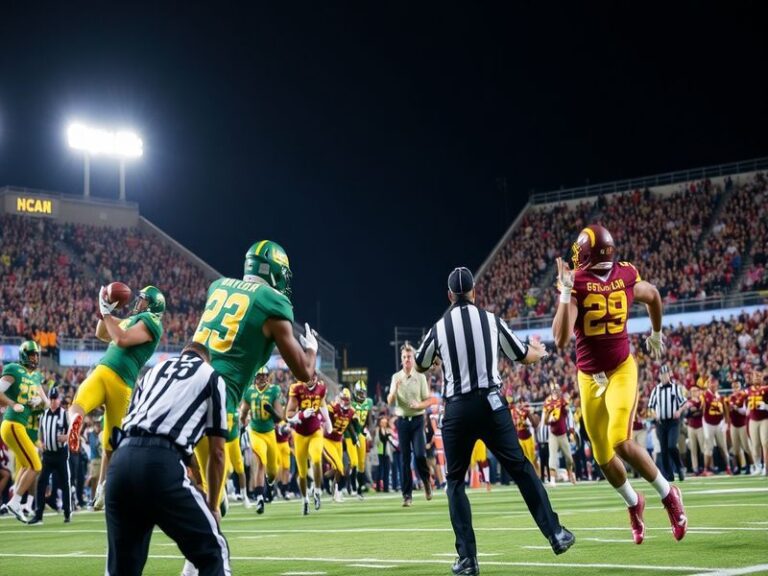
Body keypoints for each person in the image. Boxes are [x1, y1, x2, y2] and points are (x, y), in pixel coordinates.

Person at [417, 267, 574, 576]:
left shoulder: (439, 327)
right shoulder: (490, 320)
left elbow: (421, 364)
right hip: (491, 404)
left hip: (458, 410)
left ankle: (468, 559)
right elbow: (520, 355)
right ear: (474, 292)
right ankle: (554, 533)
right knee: (520, 468)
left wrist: (440, 360)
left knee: (455, 483)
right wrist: (539, 353)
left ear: (450, 296)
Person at [552, 224, 687, 544]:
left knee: (620, 441)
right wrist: (566, 292)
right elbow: (561, 340)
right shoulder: (619, 274)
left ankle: (669, 494)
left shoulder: (599, 280)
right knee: (601, 457)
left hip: (620, 370)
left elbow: (559, 341)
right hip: (589, 378)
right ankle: (633, 502)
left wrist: (567, 290)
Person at [189, 241, 317, 528]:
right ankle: (204, 559)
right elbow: (304, 372)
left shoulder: (218, 286)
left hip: (185, 385)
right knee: (211, 498)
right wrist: (312, 350)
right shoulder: (272, 302)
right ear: (273, 270)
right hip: (217, 395)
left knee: (200, 484)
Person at [105, 343, 230, 576]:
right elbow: (218, 453)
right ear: (206, 360)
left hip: (121, 461)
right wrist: (212, 505)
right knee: (214, 552)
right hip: (160, 462)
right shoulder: (211, 376)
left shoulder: (154, 370)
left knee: (121, 569)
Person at [68, 285, 165, 510]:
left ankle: (102, 482)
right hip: (120, 384)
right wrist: (104, 312)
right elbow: (102, 333)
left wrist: (107, 312)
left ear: (152, 304)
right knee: (110, 439)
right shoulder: (133, 320)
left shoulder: (151, 321)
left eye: (142, 299)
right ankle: (103, 485)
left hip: (110, 375)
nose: (137, 302)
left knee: (80, 404)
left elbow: (120, 339)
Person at [0, 341, 49, 522]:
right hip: (12, 423)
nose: (35, 358)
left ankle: (15, 501)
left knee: (28, 465)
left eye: (36, 355)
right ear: (23, 355)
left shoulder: (35, 376)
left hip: (21, 427)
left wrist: (38, 402)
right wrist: (13, 403)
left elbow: (47, 404)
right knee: (36, 465)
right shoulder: (14, 369)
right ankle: (15, 501)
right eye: (31, 355)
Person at [387, 343, 434, 507]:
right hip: (402, 421)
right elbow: (389, 401)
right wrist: (394, 390)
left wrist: (418, 405)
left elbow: (428, 400)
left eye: (409, 357)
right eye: (404, 357)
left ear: (413, 359)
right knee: (405, 459)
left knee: (420, 455)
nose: (407, 360)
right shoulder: (396, 377)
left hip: (418, 420)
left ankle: (427, 482)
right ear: (401, 360)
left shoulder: (420, 377)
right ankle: (407, 496)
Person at [285, 373, 332, 515]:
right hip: (299, 434)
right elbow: (288, 415)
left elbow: (322, 403)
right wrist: (301, 415)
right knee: (302, 473)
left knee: (317, 459)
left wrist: (328, 421)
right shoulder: (296, 388)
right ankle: (305, 499)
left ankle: (317, 491)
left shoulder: (321, 388)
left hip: (315, 430)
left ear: (315, 377)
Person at [240, 367, 282, 514]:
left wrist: (270, 410)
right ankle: (259, 498)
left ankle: (269, 482)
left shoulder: (274, 390)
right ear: (255, 377)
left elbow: (279, 418)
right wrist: (242, 424)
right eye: (259, 376)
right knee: (260, 462)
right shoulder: (250, 391)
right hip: (255, 432)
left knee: (272, 472)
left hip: (269, 433)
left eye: (264, 375)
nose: (262, 378)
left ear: (268, 377)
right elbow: (244, 412)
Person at [29, 387, 71, 525]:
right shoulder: (44, 414)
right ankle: (38, 515)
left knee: (65, 483)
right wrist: (41, 443)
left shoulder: (64, 414)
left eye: (55, 399)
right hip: (48, 455)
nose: (53, 401)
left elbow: (72, 433)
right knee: (41, 483)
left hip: (60, 455)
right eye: (51, 399)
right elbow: (41, 432)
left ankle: (67, 512)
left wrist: (66, 437)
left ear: (59, 400)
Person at [647, 365, 686, 482]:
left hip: (673, 422)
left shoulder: (675, 388)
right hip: (661, 423)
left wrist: (679, 411)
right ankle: (669, 475)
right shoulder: (656, 389)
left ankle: (680, 467)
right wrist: (654, 414)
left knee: (671, 446)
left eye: (666, 374)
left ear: (670, 374)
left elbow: (684, 403)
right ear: (659, 376)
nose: (664, 376)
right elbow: (651, 406)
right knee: (663, 450)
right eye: (662, 374)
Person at [322, 388, 356, 502]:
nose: (345, 402)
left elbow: (349, 425)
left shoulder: (351, 412)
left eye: (347, 400)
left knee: (339, 469)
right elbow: (325, 417)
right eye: (343, 399)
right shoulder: (333, 408)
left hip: (338, 441)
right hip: (328, 440)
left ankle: (329, 484)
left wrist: (355, 437)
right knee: (340, 467)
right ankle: (334, 490)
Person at [542, 384, 576, 485]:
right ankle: (552, 480)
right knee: (552, 457)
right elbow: (545, 422)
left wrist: (564, 405)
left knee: (569, 457)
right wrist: (549, 413)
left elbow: (567, 411)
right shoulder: (547, 402)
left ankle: (571, 475)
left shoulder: (562, 401)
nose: (556, 391)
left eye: (557, 389)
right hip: (553, 434)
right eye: (554, 390)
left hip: (563, 434)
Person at [347, 380, 373, 498]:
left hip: (361, 433)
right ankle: (351, 486)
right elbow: (349, 422)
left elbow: (369, 419)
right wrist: (354, 435)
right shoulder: (351, 404)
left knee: (362, 463)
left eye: (363, 393)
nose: (362, 395)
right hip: (352, 434)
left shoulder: (368, 402)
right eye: (360, 393)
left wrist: (369, 431)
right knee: (354, 462)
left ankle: (359, 489)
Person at [702, 373, 731, 475]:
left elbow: (726, 410)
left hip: (719, 424)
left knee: (723, 446)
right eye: (711, 383)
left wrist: (726, 423)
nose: (713, 385)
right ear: (708, 384)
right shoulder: (704, 395)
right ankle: (706, 469)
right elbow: (702, 410)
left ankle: (728, 467)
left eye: (715, 383)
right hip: (708, 424)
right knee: (708, 447)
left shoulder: (720, 396)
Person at [727, 373, 752, 474]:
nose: (735, 388)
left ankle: (750, 466)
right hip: (734, 424)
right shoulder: (730, 397)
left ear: (740, 386)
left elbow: (746, 411)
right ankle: (738, 467)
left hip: (743, 424)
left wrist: (737, 408)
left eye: (737, 386)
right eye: (733, 386)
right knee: (736, 448)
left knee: (746, 446)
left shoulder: (744, 395)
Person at [746, 368, 768, 475]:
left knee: (765, 443)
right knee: (755, 444)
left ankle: (766, 466)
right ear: (752, 378)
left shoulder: (766, 389)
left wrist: (766, 406)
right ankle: (758, 466)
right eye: (755, 376)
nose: (757, 378)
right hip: (753, 419)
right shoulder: (748, 390)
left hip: (764, 419)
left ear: (762, 377)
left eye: (759, 376)